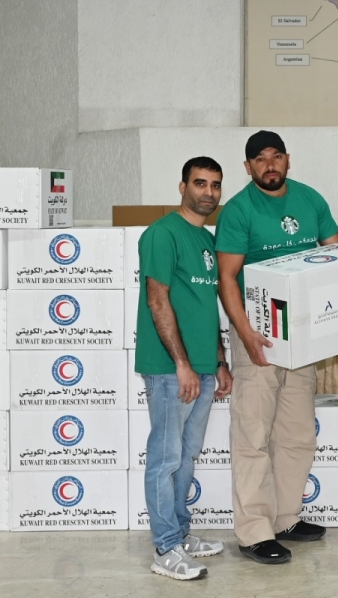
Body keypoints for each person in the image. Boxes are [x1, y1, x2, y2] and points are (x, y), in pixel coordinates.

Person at [216, 130, 338, 564]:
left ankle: (286, 517)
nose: (269, 166)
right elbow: (227, 278)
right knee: (253, 434)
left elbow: (337, 257)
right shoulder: (238, 211)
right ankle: (254, 531)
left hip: (302, 336)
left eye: (276, 157)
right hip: (259, 335)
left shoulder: (310, 200)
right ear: (248, 167)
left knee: (296, 434)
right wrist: (246, 332)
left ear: (288, 160)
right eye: (259, 160)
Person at [135, 157, 232, 580]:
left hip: (204, 369)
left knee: (187, 456)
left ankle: (180, 533)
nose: (207, 192)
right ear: (182, 187)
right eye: (199, 183)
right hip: (170, 368)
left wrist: (220, 362)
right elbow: (158, 300)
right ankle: (165, 548)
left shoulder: (207, 240)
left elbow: (206, 307)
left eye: (214, 185)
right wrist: (182, 365)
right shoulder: (162, 234)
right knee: (165, 456)